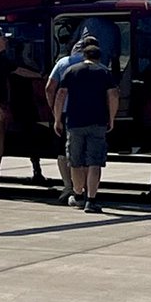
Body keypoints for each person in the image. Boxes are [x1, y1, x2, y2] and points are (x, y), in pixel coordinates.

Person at [0, 26, 40, 197]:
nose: (6, 41)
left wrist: (40, 75)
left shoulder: (2, 59)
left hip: (2, 105)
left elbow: (18, 70)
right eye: (3, 38)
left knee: (1, 144)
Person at [53, 44, 118, 213]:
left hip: (75, 122)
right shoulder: (104, 72)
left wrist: (57, 119)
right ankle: (91, 200)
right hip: (97, 122)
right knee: (94, 162)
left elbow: (60, 95)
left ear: (84, 56)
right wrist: (111, 118)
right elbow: (113, 95)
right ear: (99, 57)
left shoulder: (72, 71)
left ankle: (78, 195)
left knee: (76, 161)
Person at [45, 35, 99, 204]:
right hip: (92, 114)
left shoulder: (63, 63)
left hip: (67, 113)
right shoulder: (99, 67)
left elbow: (50, 88)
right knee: (89, 155)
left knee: (65, 153)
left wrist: (55, 112)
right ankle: (88, 191)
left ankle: (69, 187)